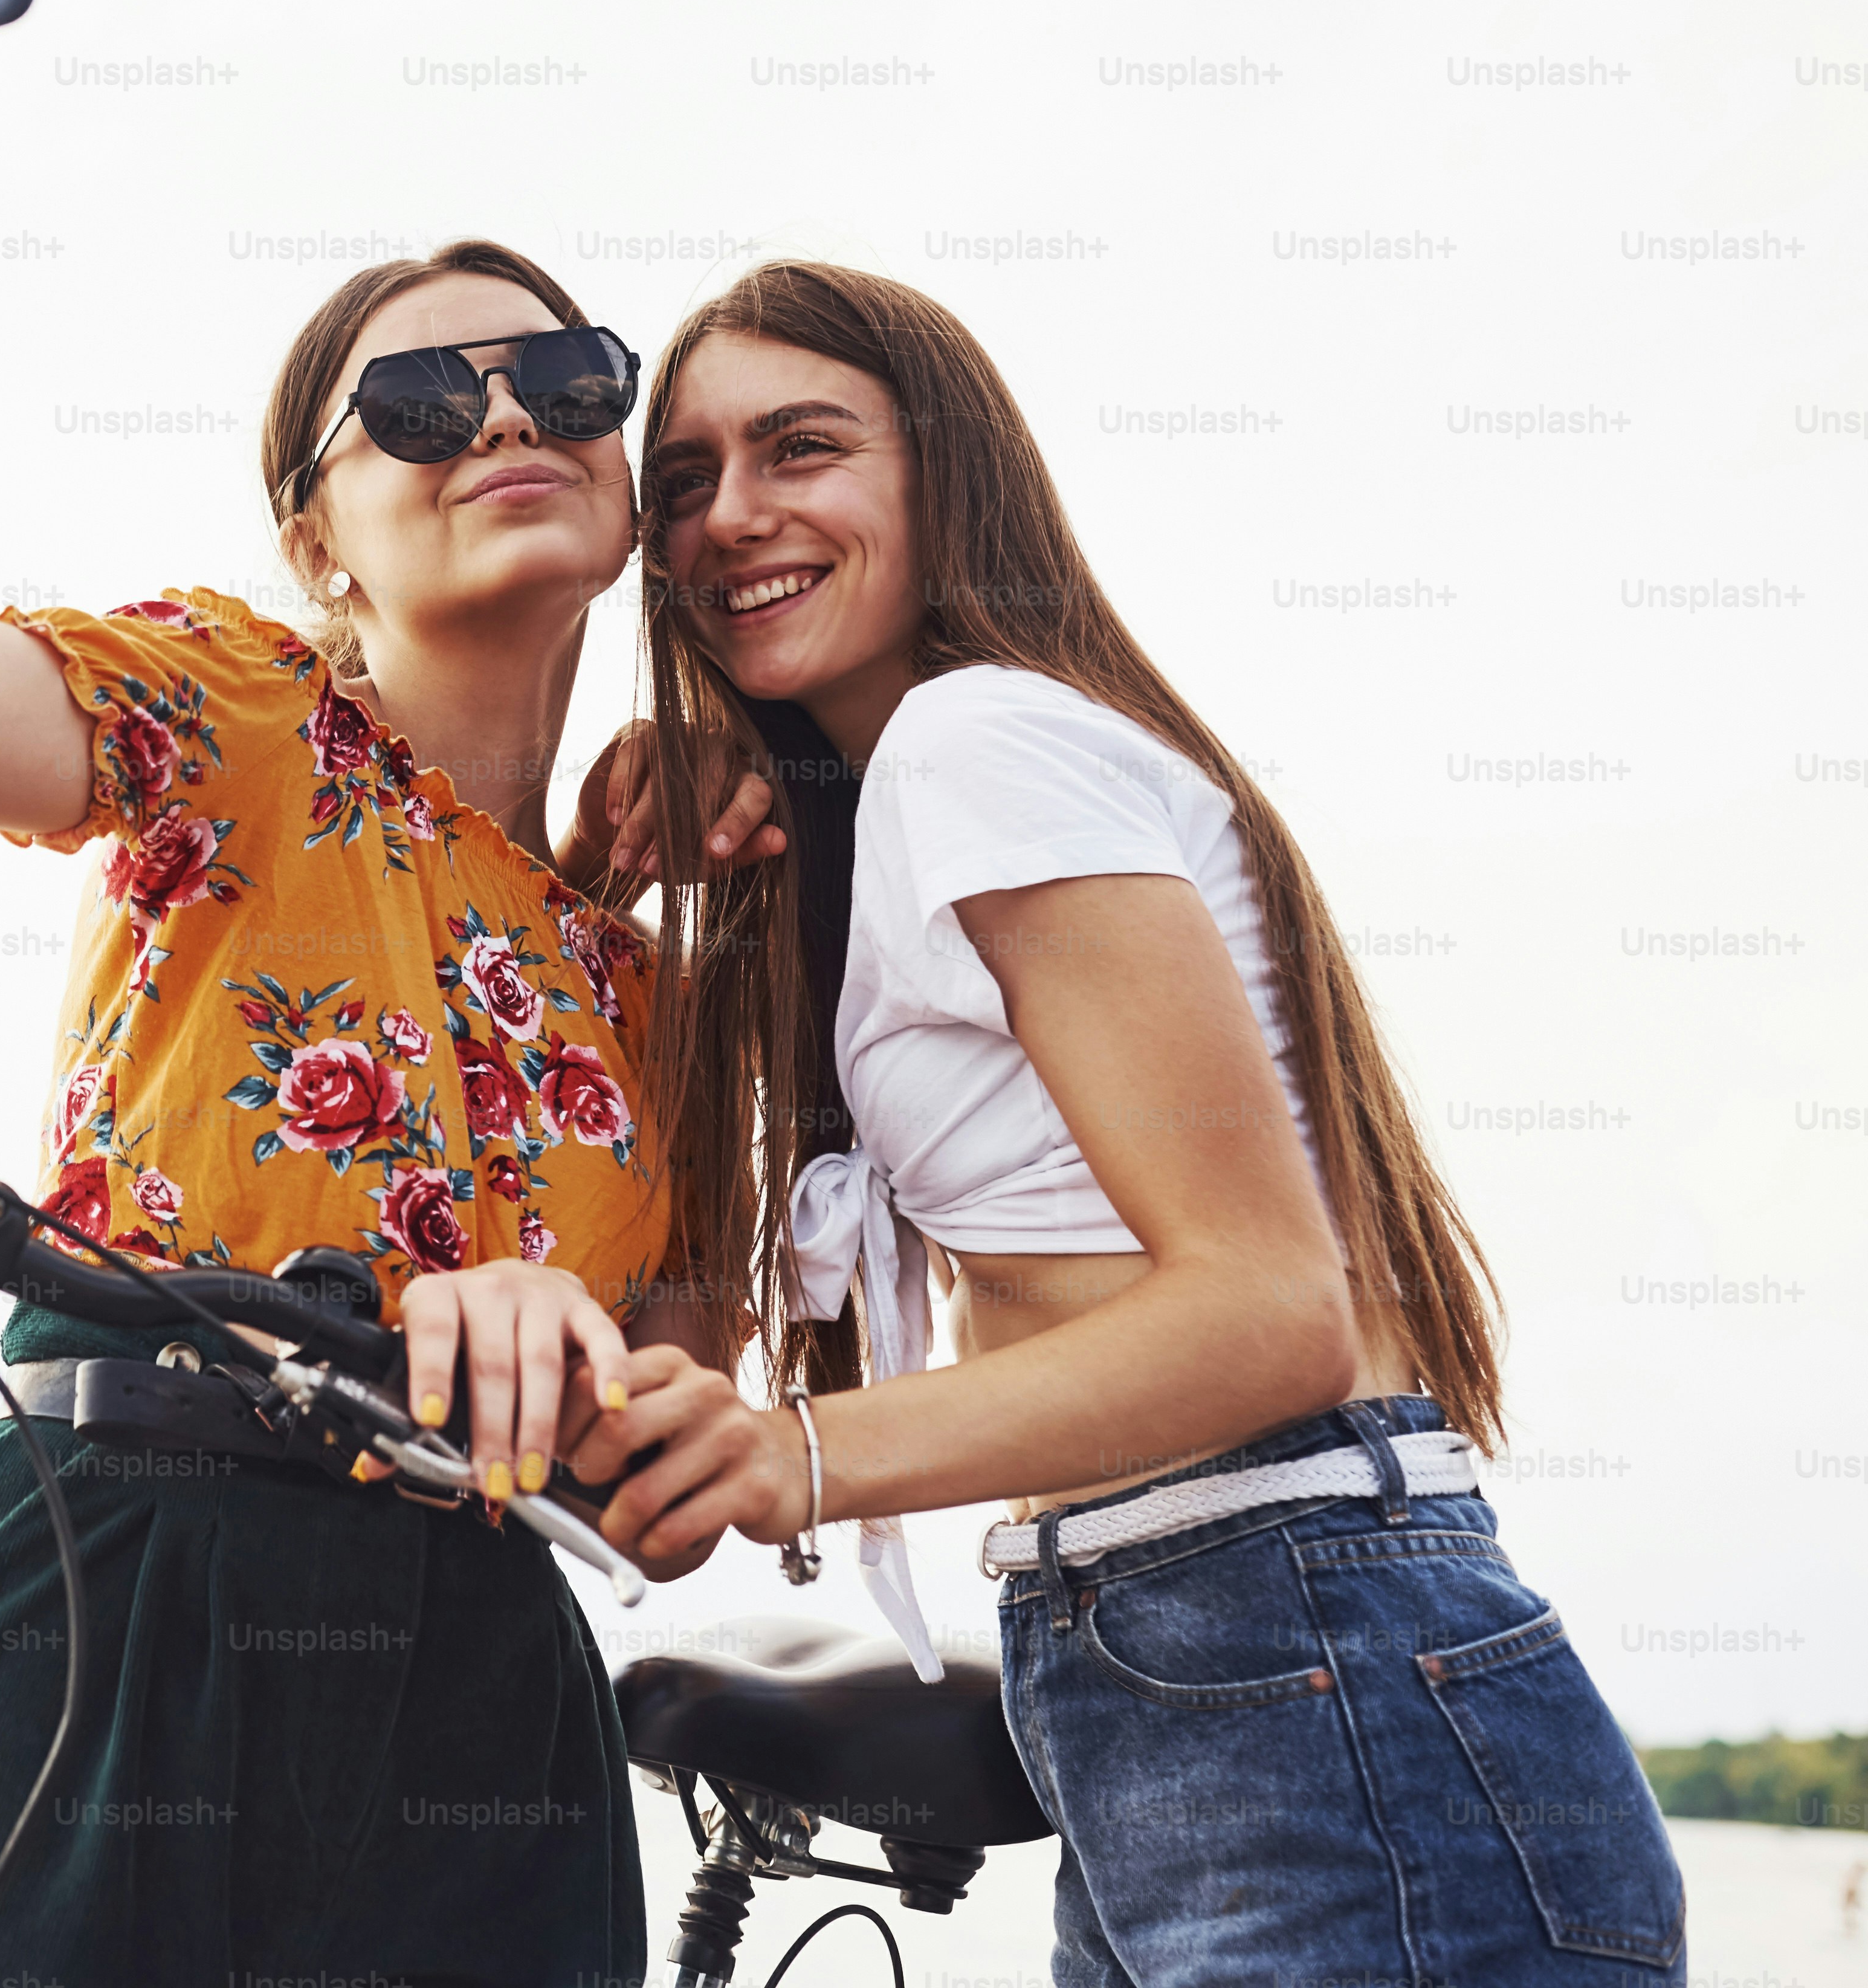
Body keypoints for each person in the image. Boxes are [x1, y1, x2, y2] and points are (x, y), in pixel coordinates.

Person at [0, 0, 777, 1984]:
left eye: (563, 375)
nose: (501, 414)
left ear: (628, 480)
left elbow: (668, 1431)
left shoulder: (650, 981)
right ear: (318, 538)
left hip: (486, 1677)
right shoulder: (243, 714)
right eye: (418, 404)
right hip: (122, 1586)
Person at [562, 261, 1688, 1981]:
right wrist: (613, 898)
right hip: (1186, 1660)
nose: (733, 518)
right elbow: (696, 1272)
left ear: (952, 476)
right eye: (691, 477)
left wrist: (794, 1457)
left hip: (1295, 1646)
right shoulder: (887, 813)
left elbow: (1269, 1309)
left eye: (803, 448)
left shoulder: (976, 740)